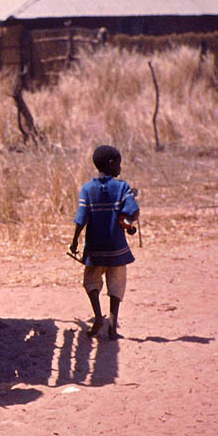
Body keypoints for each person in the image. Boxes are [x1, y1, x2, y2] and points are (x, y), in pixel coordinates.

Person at [70, 145, 139, 340]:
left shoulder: (87, 189)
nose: (120, 167)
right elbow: (131, 212)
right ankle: (112, 325)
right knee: (116, 285)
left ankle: (98, 316)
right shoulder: (123, 188)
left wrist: (75, 241)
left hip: (94, 249)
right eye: (119, 163)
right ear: (111, 164)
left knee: (91, 282)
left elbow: (81, 218)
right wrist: (130, 224)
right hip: (117, 249)